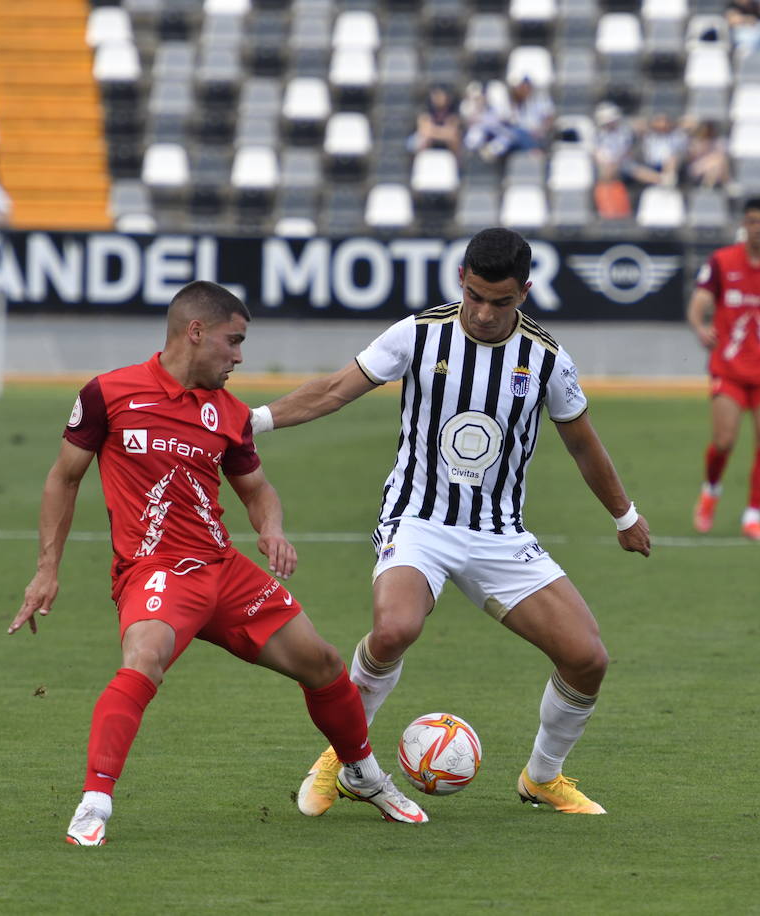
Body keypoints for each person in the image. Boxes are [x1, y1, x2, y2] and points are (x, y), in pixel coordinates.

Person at [7, 280, 427, 846]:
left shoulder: (227, 413)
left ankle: (362, 772)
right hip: (155, 570)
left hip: (223, 571)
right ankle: (94, 803)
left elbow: (257, 490)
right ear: (195, 332)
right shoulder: (110, 393)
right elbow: (64, 477)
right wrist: (46, 568)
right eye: (233, 342)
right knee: (144, 658)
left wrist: (271, 528)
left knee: (324, 663)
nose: (239, 356)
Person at [248, 228, 651, 816]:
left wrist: (625, 515)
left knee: (587, 657)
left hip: (498, 532)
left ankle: (542, 777)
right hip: (418, 518)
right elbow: (336, 390)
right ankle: (342, 760)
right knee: (393, 630)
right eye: (476, 296)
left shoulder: (546, 359)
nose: (485, 313)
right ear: (461, 278)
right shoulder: (418, 334)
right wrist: (253, 421)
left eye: (501, 302)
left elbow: (585, 446)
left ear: (526, 293)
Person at [686, 197, 760, 540]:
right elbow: (699, 303)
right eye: (752, 221)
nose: (757, 227)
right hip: (729, 367)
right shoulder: (723, 262)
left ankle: (753, 516)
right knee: (724, 440)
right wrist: (700, 326)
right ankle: (710, 492)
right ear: (744, 224)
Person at [408, 84, 463, 160]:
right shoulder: (425, 108)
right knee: (423, 140)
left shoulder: (452, 110)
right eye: (435, 95)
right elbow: (424, 131)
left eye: (440, 95)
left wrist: (434, 131)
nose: (437, 98)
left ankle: (457, 166)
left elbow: (453, 132)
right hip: (420, 139)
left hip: (443, 139)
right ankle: (420, 165)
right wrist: (443, 132)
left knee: (455, 139)